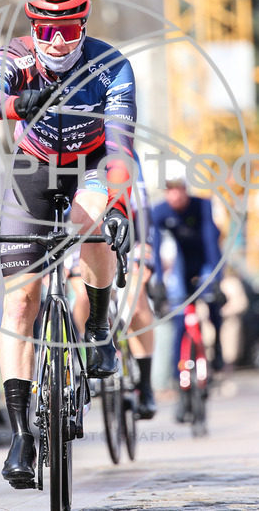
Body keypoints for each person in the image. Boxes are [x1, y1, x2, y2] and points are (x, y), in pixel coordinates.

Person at [0, 0, 137, 488]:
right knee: (20, 302)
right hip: (36, 166)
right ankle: (21, 435)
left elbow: (119, 147)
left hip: (92, 162)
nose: (58, 41)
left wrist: (116, 203)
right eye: (47, 29)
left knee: (93, 223)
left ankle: (98, 329)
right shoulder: (17, 57)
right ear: (33, 27)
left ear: (83, 26)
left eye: (68, 30)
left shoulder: (112, 66)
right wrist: (16, 105)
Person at [69, 174, 159, 419]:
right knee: (83, 297)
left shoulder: (122, 150)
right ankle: (90, 353)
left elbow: (142, 207)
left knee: (135, 302)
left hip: (126, 234)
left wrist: (144, 250)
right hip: (82, 236)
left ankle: (146, 385)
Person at [150, 171, 226, 422]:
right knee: (180, 322)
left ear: (185, 189)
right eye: (168, 189)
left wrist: (216, 280)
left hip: (205, 262)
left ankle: (219, 355)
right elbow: (158, 248)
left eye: (178, 188)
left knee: (213, 303)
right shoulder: (160, 212)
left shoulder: (202, 205)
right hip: (182, 267)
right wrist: (159, 283)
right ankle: (179, 385)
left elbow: (212, 241)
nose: (174, 194)